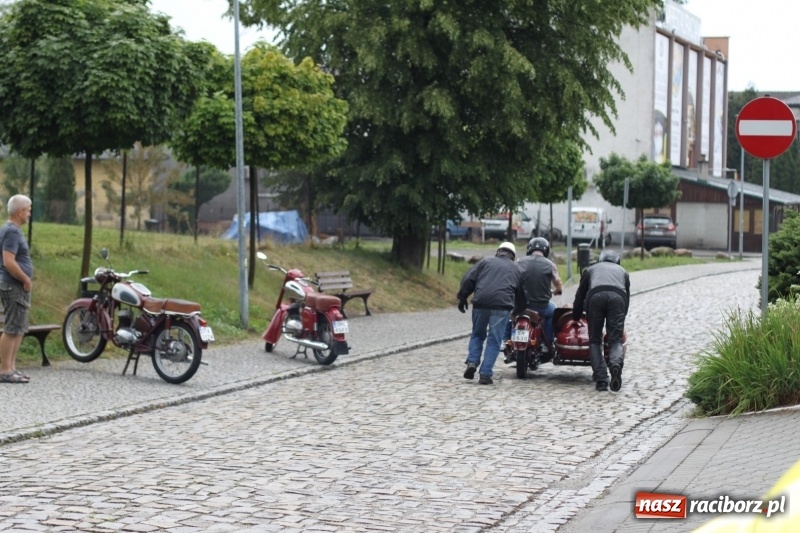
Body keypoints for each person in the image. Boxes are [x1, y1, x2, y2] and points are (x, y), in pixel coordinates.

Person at [457, 241, 526, 385]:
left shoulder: (485, 262)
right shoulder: (515, 269)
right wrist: (519, 310)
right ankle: (485, 374)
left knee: (477, 334)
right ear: (512, 255)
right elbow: (520, 294)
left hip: (481, 302)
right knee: (494, 340)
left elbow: (469, 278)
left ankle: (472, 362)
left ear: (498, 251)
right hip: (502, 306)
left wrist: (463, 297)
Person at [572, 249, 629, 392]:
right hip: (618, 299)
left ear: (600, 260)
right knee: (615, 339)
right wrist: (622, 317)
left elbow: (580, 295)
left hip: (595, 297)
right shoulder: (623, 272)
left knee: (595, 340)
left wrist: (576, 315)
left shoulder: (590, 270)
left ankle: (602, 380)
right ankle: (615, 364)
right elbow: (626, 298)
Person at [509, 237, 563, 360]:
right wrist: (557, 290)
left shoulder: (518, 262)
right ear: (546, 251)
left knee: (509, 313)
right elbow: (558, 283)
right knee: (553, 312)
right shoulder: (550, 265)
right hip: (541, 306)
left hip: (521, 305)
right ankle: (546, 343)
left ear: (530, 249)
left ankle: (506, 338)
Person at [0, 195, 34, 384]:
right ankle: (4, 370)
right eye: (28, 210)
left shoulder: (12, 230)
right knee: (12, 328)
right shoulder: (12, 231)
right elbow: (8, 261)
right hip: (13, 285)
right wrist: (25, 278)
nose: (29, 213)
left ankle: (11, 368)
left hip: (17, 286)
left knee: (18, 328)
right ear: (20, 211)